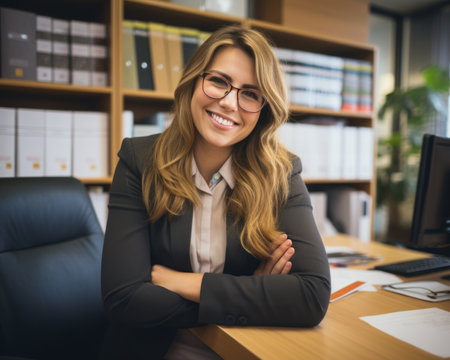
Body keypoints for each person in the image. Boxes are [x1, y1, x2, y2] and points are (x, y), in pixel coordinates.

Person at [100, 25, 331, 359]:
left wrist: (181, 282)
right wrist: (256, 293)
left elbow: (311, 296)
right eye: (219, 81)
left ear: (263, 109)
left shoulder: (281, 172)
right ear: (195, 80)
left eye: (250, 94)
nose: (228, 103)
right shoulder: (140, 161)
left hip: (241, 351)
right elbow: (124, 298)